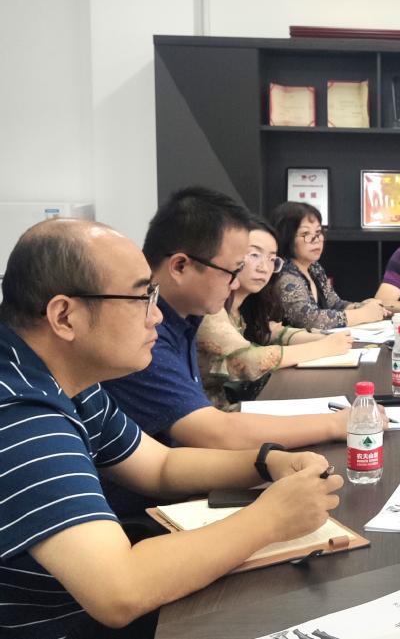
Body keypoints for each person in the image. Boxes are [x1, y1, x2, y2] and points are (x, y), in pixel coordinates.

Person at [0, 218, 342, 639]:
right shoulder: (21, 414)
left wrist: (265, 461)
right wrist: (272, 518)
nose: (156, 316)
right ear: (65, 316)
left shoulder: (65, 378)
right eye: (141, 297)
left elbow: (159, 465)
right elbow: (119, 590)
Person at [105, 187, 364, 451]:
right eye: (233, 270)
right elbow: (214, 433)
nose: (235, 283)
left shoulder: (187, 316)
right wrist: (333, 424)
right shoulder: (144, 334)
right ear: (180, 266)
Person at [196, 217, 354, 409]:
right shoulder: (210, 309)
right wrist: (323, 347)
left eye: (272, 259)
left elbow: (274, 332)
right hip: (213, 413)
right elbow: (247, 360)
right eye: (254, 255)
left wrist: (324, 338)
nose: (264, 267)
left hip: (235, 405)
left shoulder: (247, 305)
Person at [272, 202, 389, 329]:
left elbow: (335, 304)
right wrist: (362, 314)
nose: (316, 239)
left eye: (318, 232)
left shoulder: (314, 268)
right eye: (306, 234)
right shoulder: (285, 275)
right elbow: (309, 320)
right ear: (286, 238)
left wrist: (363, 306)